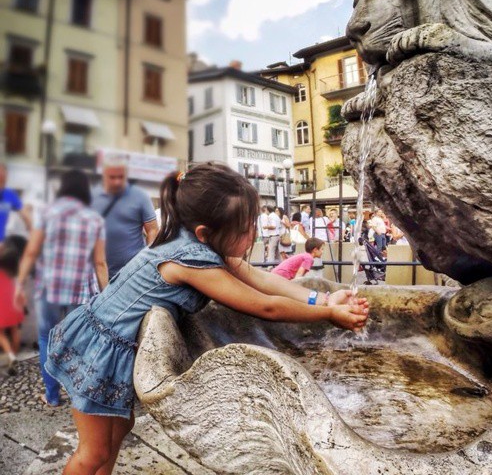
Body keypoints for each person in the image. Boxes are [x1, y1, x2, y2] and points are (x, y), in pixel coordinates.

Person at [43, 163, 368, 475]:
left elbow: (261, 279)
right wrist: (327, 314)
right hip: (99, 351)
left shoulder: (194, 239)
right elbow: (265, 306)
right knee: (94, 452)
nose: (253, 234)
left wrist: (323, 299)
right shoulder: (189, 260)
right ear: (205, 231)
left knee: (118, 431)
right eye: (246, 228)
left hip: (111, 347)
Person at [14, 169, 109, 407]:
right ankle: (79, 396)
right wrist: (107, 295)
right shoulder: (94, 219)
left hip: (50, 287)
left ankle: (52, 395)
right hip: (81, 289)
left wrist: (19, 284)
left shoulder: (47, 213)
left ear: (63, 188)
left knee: (46, 337)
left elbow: (32, 252)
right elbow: (100, 262)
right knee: (79, 342)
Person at [91, 158, 158, 278]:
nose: (117, 181)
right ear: (104, 176)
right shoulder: (92, 196)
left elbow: (153, 229)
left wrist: (148, 260)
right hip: (99, 273)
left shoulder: (140, 196)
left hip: (133, 273)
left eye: (121, 177)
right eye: (112, 177)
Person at [0, 163, 32, 247]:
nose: (3, 177)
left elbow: (24, 213)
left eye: (4, 174)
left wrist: (32, 229)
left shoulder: (9, 194)